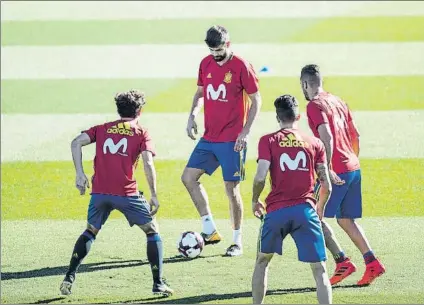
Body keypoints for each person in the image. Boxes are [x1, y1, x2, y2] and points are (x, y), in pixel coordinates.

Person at [59, 90, 173, 296]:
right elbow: (148, 162)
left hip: (100, 193)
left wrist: (79, 174)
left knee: (90, 231)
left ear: (119, 109)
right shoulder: (141, 133)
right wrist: (154, 195)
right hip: (127, 194)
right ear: (140, 110)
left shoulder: (103, 129)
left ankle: (69, 276)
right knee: (152, 230)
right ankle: (158, 283)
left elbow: (76, 142)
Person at [301, 64, 386, 286]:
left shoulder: (314, 105)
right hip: (352, 167)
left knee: (310, 213)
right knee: (346, 219)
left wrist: (328, 167)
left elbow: (326, 136)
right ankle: (372, 263)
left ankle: (342, 261)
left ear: (305, 84)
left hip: (336, 170)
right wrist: (352, 160)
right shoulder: (338, 101)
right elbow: (355, 134)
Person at [181, 25, 262, 257]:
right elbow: (200, 94)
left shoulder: (241, 66)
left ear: (228, 44)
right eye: (212, 50)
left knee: (231, 189)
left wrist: (245, 132)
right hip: (209, 137)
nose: (216, 54)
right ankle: (210, 230)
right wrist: (192, 116)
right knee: (188, 177)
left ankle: (237, 241)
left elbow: (257, 100)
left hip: (232, 139)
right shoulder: (205, 63)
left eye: (219, 49)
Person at [251, 94, 332, 304]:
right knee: (320, 270)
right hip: (305, 211)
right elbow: (326, 185)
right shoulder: (315, 143)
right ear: (298, 116)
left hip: (277, 212)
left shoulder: (267, 140)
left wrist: (255, 199)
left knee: (262, 262)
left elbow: (260, 177)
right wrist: (319, 209)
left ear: (278, 117)